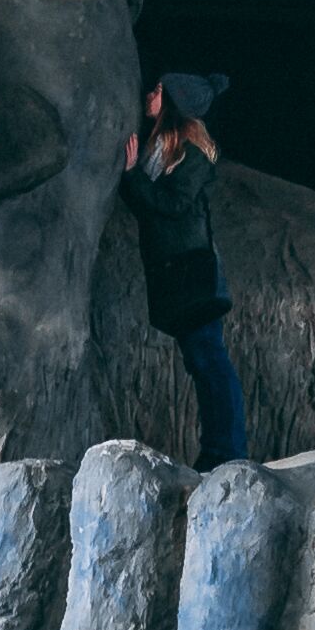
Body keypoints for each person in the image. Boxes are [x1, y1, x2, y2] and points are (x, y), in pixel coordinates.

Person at [122, 72, 249, 470]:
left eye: (159, 91)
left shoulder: (192, 154)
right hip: (176, 274)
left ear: (174, 102)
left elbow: (171, 205)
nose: (150, 94)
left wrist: (132, 174)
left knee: (211, 363)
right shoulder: (162, 149)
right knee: (202, 364)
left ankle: (226, 452)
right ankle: (219, 451)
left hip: (192, 273)